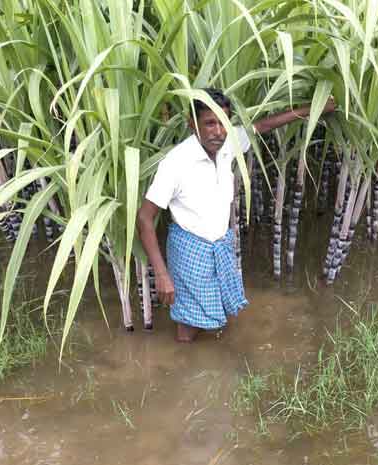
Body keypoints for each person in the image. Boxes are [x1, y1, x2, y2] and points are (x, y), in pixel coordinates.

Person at [137, 88, 335, 342]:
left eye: (223, 122)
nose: (218, 131)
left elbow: (264, 126)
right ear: (192, 124)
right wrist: (162, 275)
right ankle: (187, 367)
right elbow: (144, 217)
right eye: (210, 123)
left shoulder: (228, 143)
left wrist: (315, 108)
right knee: (188, 324)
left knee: (218, 310)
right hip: (190, 250)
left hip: (220, 244)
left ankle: (210, 362)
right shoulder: (176, 163)